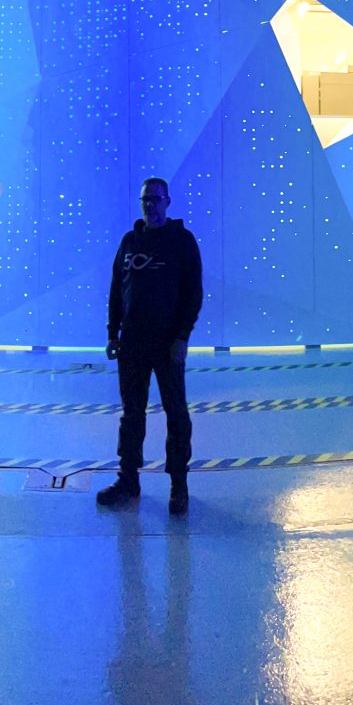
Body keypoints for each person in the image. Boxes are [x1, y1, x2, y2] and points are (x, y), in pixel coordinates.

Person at [97, 176, 202, 513]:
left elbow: (193, 294)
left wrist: (182, 337)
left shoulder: (182, 241)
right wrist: (113, 333)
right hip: (132, 345)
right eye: (145, 199)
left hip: (168, 345)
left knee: (176, 414)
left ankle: (178, 485)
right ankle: (128, 480)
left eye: (156, 199)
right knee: (131, 415)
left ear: (168, 202)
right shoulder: (130, 241)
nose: (150, 205)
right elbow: (117, 289)